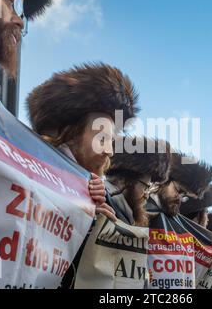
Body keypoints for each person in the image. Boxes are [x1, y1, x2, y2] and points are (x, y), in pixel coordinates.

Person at [26, 62, 140, 288]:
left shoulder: (102, 196)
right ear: (71, 134)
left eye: (112, 141)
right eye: (101, 138)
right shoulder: (33, 175)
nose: (109, 150)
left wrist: (103, 230)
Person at [106, 136, 172, 227]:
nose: (146, 195)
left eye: (148, 189)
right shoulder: (102, 203)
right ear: (124, 180)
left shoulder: (125, 212)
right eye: (145, 187)